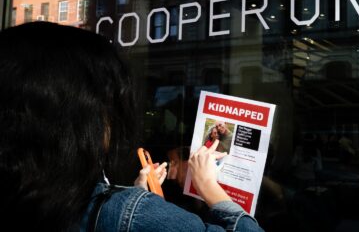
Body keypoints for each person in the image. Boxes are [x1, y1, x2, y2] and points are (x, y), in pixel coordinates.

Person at [0, 22, 262, 231]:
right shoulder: (128, 212)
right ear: (86, 118)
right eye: (107, 106)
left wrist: (140, 202)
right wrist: (209, 188)